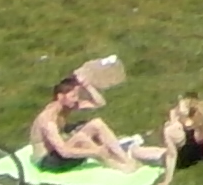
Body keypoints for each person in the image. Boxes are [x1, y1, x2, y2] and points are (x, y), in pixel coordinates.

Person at [27, 56, 163, 169]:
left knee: (96, 123)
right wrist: (95, 152)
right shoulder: (48, 120)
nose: (76, 100)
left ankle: (123, 158)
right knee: (82, 139)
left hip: (58, 151)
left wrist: (87, 86)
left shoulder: (66, 106)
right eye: (73, 96)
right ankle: (117, 165)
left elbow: (99, 103)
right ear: (60, 97)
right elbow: (64, 152)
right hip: (48, 161)